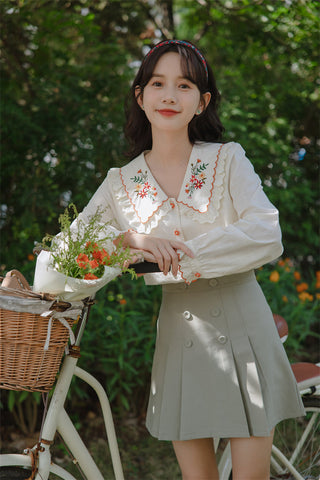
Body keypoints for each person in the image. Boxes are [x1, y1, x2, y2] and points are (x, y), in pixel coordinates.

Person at [76, 40, 305, 479]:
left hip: (244, 326)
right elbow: (71, 249)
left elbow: (265, 232)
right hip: (179, 333)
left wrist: (181, 254)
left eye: (183, 85)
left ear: (201, 103)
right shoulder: (120, 184)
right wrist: (131, 238)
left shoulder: (226, 159)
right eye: (158, 83)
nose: (169, 96)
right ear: (140, 96)